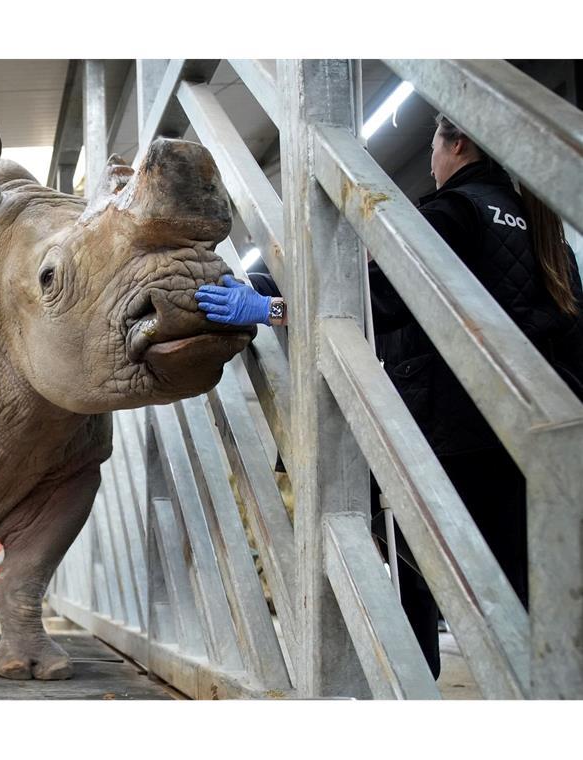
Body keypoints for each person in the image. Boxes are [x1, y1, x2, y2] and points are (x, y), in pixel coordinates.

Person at [194, 113, 583, 678]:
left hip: (448, 436)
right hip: (526, 439)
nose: (430, 160)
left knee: (417, 582)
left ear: (460, 141)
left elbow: (376, 301)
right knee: (521, 599)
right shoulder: (546, 233)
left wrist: (272, 306)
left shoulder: (452, 212)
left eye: (433, 145)